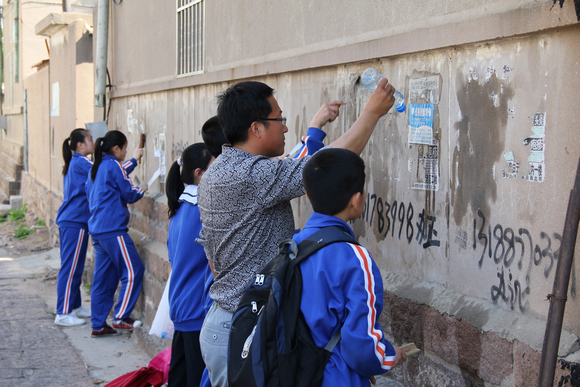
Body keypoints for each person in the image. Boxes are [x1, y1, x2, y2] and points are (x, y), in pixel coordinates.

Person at [197, 78, 395, 386]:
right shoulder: (249, 176)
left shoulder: (222, 170)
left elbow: (293, 166)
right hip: (245, 330)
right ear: (256, 128)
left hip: (228, 321)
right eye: (280, 119)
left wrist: (315, 127)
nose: (285, 128)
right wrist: (370, 113)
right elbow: (320, 167)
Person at [297, 148, 406, 386]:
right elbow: (361, 346)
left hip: (296, 371)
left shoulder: (292, 246)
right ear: (357, 200)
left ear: (307, 195)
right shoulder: (355, 259)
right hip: (336, 377)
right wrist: (388, 356)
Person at [86, 130, 147, 338]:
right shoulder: (113, 166)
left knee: (103, 279)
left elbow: (117, 175)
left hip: (98, 231)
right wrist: (142, 189)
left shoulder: (98, 167)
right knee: (133, 270)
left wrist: (133, 160)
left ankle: (98, 324)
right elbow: (129, 192)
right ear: (116, 149)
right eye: (125, 148)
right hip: (113, 229)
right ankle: (121, 316)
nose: (127, 151)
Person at [165, 143, 214, 387]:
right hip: (196, 310)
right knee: (196, 379)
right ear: (199, 173)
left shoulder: (180, 209)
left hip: (182, 306)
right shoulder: (201, 209)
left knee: (180, 378)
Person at [54, 129, 95, 326]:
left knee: (75, 266)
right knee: (70, 268)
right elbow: (104, 173)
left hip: (73, 221)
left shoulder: (76, 162)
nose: (93, 142)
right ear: (80, 144)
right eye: (90, 139)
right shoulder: (81, 162)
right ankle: (62, 312)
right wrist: (133, 161)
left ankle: (75, 305)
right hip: (75, 221)